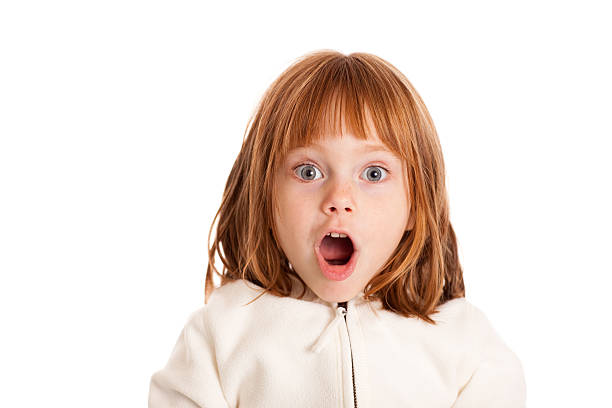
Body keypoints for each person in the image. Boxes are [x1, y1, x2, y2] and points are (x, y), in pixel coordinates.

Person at [148, 50, 527, 407]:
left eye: (373, 174)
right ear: (266, 198)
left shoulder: (467, 347)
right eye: (308, 171)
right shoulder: (218, 339)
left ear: (416, 206)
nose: (339, 198)